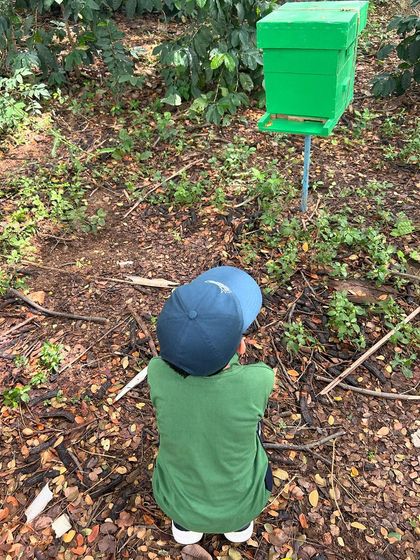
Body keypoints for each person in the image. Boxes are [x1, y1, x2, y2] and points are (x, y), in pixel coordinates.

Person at [147, 266, 275, 545]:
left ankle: (186, 526)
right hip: (244, 504)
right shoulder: (260, 379)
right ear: (241, 346)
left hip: (177, 502)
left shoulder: (156, 373)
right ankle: (238, 526)